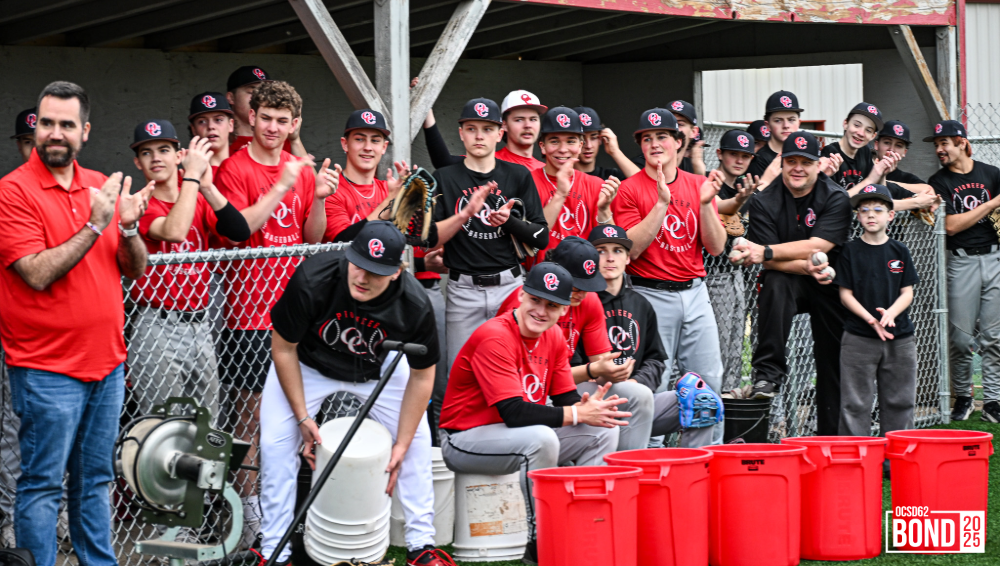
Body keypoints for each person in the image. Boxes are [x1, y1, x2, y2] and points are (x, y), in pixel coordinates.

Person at [0, 81, 152, 566]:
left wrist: (126, 227)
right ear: (36, 129)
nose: (55, 133)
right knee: (43, 485)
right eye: (47, 124)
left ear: (84, 131)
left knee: (96, 482)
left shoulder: (100, 185)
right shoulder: (12, 192)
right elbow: (37, 273)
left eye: (67, 124)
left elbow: (135, 269)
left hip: (106, 366)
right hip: (46, 370)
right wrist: (94, 223)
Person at [262, 222, 452, 566]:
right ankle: (274, 550)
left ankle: (421, 546)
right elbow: (283, 348)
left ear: (396, 272)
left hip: (375, 369)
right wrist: (303, 417)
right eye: (359, 265)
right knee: (275, 444)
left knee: (419, 442)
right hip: (307, 364)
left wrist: (402, 444)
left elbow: (423, 377)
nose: (362, 278)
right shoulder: (313, 278)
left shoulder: (414, 304)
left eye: (375, 272)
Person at [437, 262, 630, 565]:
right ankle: (540, 539)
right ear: (522, 296)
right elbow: (513, 412)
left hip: (514, 435)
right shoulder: (495, 335)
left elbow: (564, 397)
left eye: (552, 305)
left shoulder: (552, 336)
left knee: (604, 429)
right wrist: (578, 414)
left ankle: (586, 525)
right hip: (464, 438)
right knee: (541, 439)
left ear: (564, 310)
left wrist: (591, 408)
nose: (541, 311)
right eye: (535, 300)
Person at [214, 79, 337, 546]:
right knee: (249, 418)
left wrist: (320, 196)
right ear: (251, 117)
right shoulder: (234, 168)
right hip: (247, 313)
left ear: (295, 124)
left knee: (296, 414)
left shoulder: (300, 169)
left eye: (283, 121)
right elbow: (236, 235)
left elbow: (312, 236)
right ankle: (248, 512)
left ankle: (284, 507)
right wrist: (281, 184)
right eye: (265, 118)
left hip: (295, 311)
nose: (273, 128)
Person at [611, 108, 728, 443]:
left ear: (680, 141)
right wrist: (661, 204)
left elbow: (716, 247)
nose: (654, 143)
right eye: (647, 138)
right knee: (653, 386)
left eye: (662, 136)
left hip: (694, 290)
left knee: (707, 382)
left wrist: (706, 205)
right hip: (650, 293)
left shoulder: (697, 184)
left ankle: (704, 463)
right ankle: (649, 463)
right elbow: (631, 248)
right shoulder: (630, 188)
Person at [127, 120, 250, 420]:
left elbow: (239, 231)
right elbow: (175, 230)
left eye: (164, 149)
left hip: (200, 325)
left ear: (179, 155)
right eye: (147, 152)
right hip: (158, 325)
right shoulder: (140, 204)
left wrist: (206, 185)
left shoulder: (195, 193)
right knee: (163, 426)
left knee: (205, 423)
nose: (156, 157)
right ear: (138, 162)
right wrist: (193, 177)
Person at [730, 131, 851, 435]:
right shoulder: (763, 200)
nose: (798, 167)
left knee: (832, 363)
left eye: (805, 162)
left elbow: (818, 245)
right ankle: (767, 374)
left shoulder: (834, 196)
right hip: (796, 277)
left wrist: (768, 251)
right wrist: (799, 264)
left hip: (827, 281)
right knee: (775, 281)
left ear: (818, 164)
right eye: (791, 161)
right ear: (781, 163)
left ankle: (830, 438)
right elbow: (767, 262)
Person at [497, 236, 655, 451]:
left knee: (638, 395)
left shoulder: (588, 300)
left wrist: (610, 371)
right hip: (522, 395)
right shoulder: (529, 304)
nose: (582, 292)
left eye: (587, 285)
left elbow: (599, 367)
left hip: (563, 390)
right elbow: (530, 378)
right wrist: (592, 371)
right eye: (576, 285)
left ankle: (627, 471)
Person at [430, 97, 548, 369]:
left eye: (486, 129)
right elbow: (429, 239)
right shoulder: (445, 177)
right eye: (471, 128)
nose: (479, 136)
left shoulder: (517, 175)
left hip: (510, 286)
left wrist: (508, 221)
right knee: (461, 372)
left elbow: (541, 237)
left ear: (499, 133)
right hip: (463, 290)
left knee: (518, 369)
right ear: (461, 134)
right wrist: (464, 215)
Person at [586, 225, 716, 448]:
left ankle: (689, 474)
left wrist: (636, 383)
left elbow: (656, 361)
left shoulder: (641, 304)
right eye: (601, 251)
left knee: (702, 401)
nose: (609, 258)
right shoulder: (583, 301)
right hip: (595, 401)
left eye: (617, 250)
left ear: (628, 258)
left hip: (637, 401)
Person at [834, 184, 918, 450]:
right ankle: (856, 457)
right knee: (856, 402)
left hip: (899, 336)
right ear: (857, 216)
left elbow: (908, 292)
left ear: (890, 216)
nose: (871, 215)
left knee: (900, 399)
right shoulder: (849, 251)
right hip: (859, 337)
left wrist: (890, 314)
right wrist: (871, 320)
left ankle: (897, 457)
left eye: (878, 210)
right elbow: (845, 295)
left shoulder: (900, 251)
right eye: (864, 210)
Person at [926, 120, 1000, 423]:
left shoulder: (991, 174)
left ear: (962, 143)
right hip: (961, 260)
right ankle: (964, 396)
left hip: (995, 258)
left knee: (994, 337)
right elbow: (951, 226)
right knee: (960, 338)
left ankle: (994, 400)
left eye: (945, 143)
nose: (940, 149)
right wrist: (993, 203)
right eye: (937, 145)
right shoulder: (939, 180)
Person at [528, 106, 618, 265]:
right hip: (541, 276)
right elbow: (531, 240)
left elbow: (612, 246)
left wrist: (604, 211)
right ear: (542, 146)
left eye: (571, 141)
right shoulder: (527, 181)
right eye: (554, 141)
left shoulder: (596, 185)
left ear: (581, 145)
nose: (563, 149)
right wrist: (560, 194)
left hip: (584, 277)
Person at [708, 130, 760, 389]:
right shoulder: (711, 183)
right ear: (720, 154)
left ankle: (729, 401)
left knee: (735, 345)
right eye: (733, 154)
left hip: (737, 274)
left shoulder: (746, 189)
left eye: (745, 156)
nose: (739, 161)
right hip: (712, 275)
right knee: (717, 344)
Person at [420, 89, 547, 171]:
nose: (527, 125)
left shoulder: (544, 169)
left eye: (533, 119)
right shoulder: (487, 159)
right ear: (504, 125)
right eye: (519, 120)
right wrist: (424, 105)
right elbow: (443, 162)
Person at [225, 66, 305, 156]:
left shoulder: (278, 137)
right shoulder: (220, 139)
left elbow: (308, 170)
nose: (258, 97)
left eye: (263, 92)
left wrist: (295, 140)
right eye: (252, 92)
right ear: (231, 98)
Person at [630, 100, 706, 175]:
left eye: (679, 124)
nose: (675, 127)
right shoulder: (644, 161)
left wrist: (699, 173)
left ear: (693, 132)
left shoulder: (693, 165)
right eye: (670, 123)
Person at [746, 90, 803, 181]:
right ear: (768, 125)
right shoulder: (760, 161)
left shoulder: (806, 154)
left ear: (799, 123)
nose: (786, 126)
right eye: (778, 120)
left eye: (791, 120)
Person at [572, 106, 639, 181]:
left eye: (594, 137)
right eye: (582, 139)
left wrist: (615, 151)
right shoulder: (562, 179)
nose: (588, 145)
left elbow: (645, 187)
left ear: (601, 139)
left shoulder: (612, 177)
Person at [188, 92, 235, 177]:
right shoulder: (185, 176)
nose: (210, 126)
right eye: (202, 121)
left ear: (231, 125)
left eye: (218, 120)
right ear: (193, 129)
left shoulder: (245, 168)